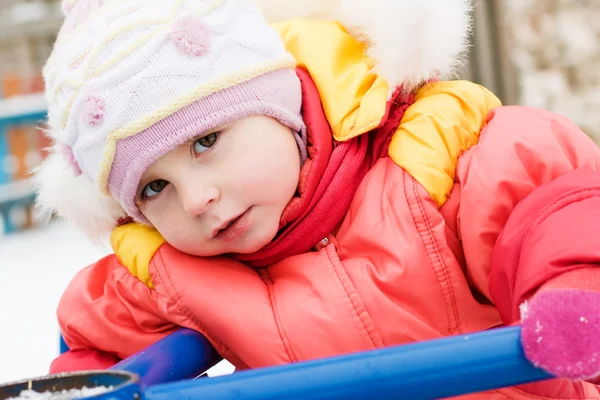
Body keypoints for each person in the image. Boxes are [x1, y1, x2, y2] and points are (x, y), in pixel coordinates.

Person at [34, 0, 600, 398]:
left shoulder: (429, 161)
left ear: (280, 110)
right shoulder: (172, 271)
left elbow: (553, 203)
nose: (197, 199)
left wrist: (573, 293)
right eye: (154, 188)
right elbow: (96, 345)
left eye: (206, 142)